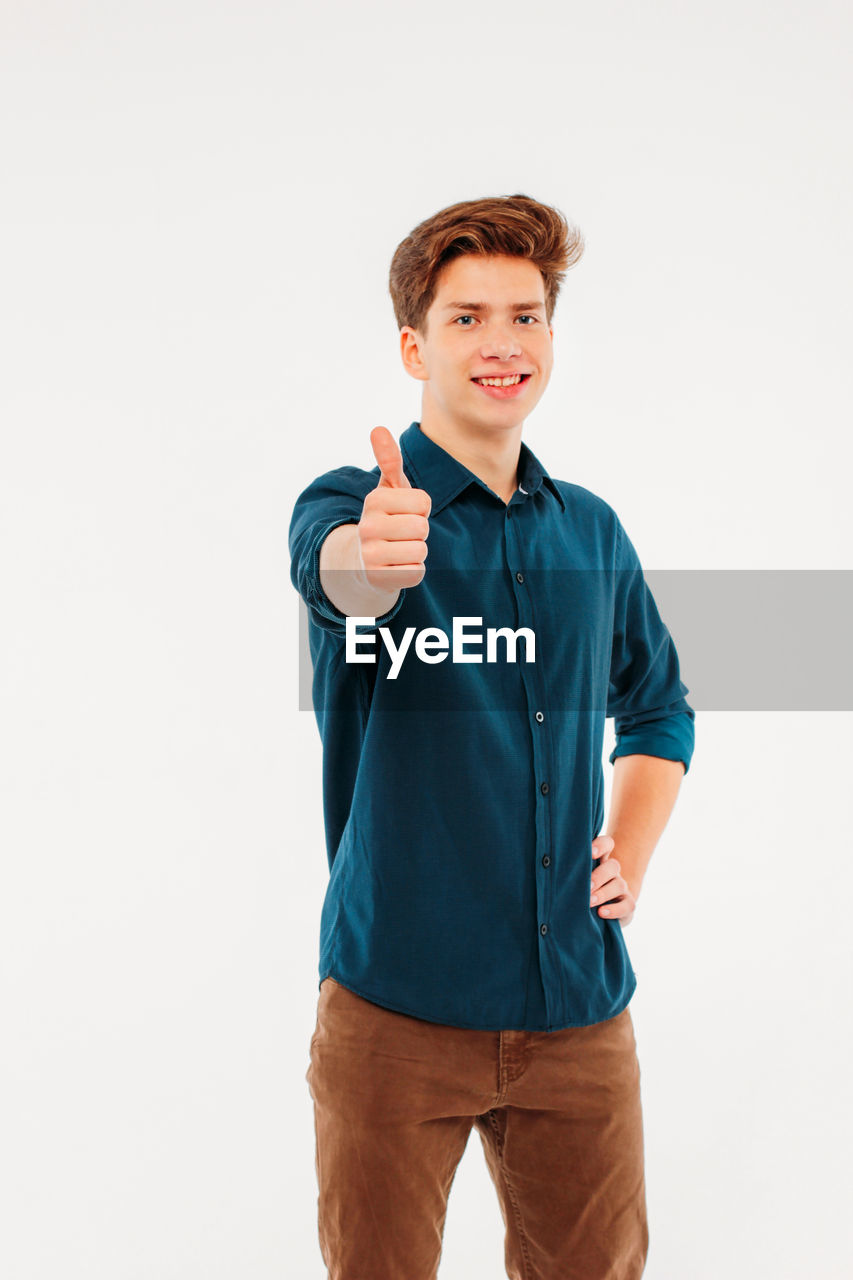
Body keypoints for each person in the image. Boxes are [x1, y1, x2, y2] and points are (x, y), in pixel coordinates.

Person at [289, 193, 695, 1280]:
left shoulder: (591, 529)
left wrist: (630, 850)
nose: (502, 342)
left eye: (525, 314)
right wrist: (371, 560)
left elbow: (657, 703)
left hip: (578, 1017)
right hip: (394, 1014)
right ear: (414, 343)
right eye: (467, 317)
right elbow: (336, 575)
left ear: (551, 337)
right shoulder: (357, 500)